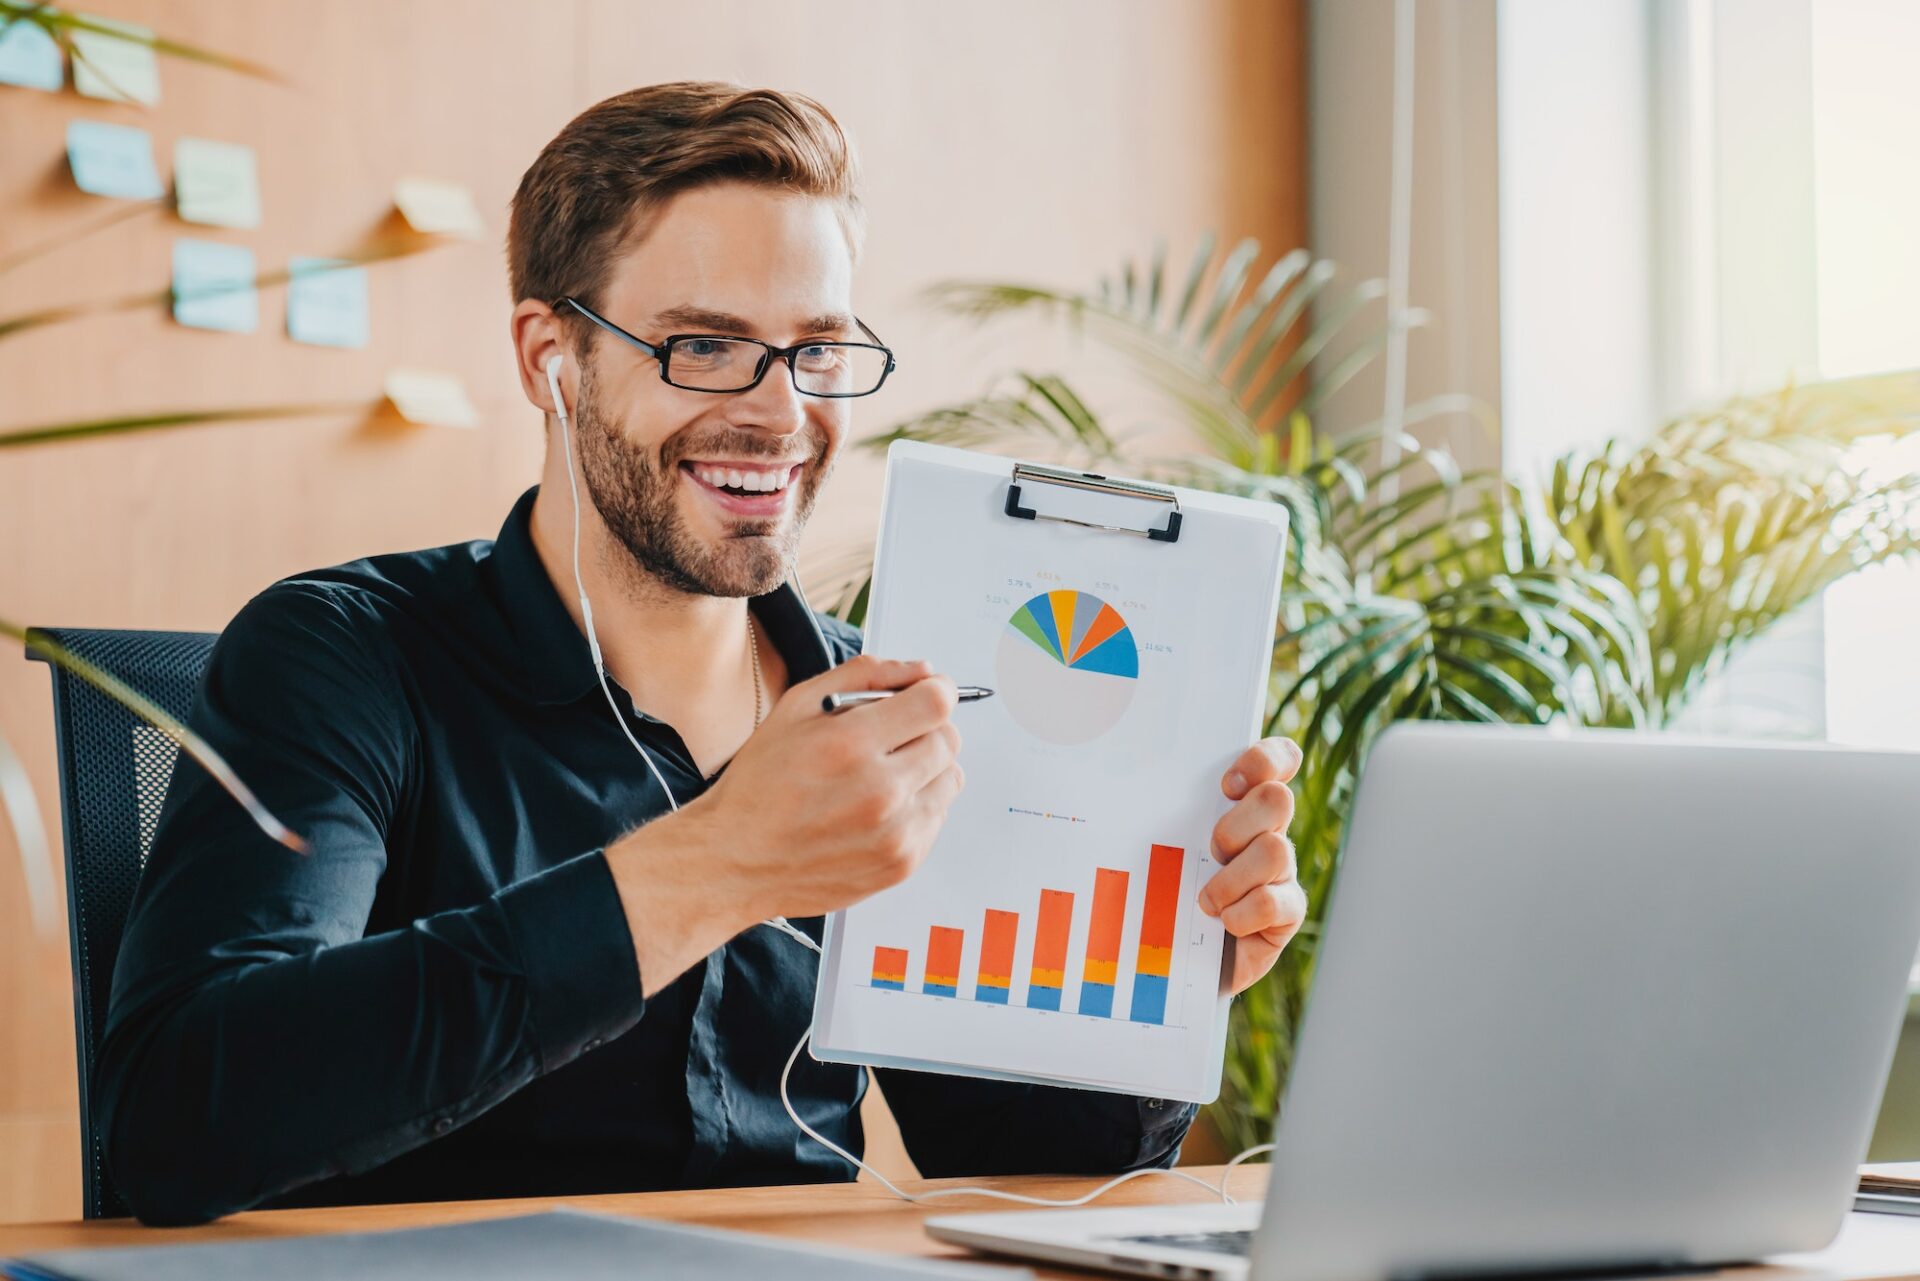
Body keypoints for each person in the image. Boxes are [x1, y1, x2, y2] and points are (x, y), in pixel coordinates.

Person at [98, 82, 1308, 1226]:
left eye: (817, 352)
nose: (781, 415)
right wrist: (713, 866)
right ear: (549, 361)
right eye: (706, 348)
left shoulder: (889, 710)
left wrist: (1159, 990)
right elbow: (178, 1116)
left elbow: (1013, 1162)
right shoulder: (344, 658)